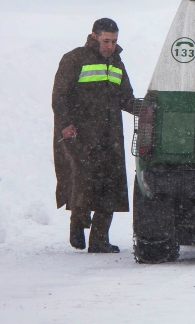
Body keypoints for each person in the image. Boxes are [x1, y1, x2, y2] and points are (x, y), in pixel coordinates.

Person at [52, 18, 136, 253]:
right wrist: (66, 124)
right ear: (94, 36)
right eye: (106, 40)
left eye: (114, 41)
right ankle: (77, 224)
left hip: (111, 136)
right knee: (83, 182)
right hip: (82, 134)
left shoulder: (117, 63)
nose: (110, 46)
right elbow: (60, 96)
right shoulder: (75, 59)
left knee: (111, 185)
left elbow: (125, 97)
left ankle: (99, 240)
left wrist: (143, 108)